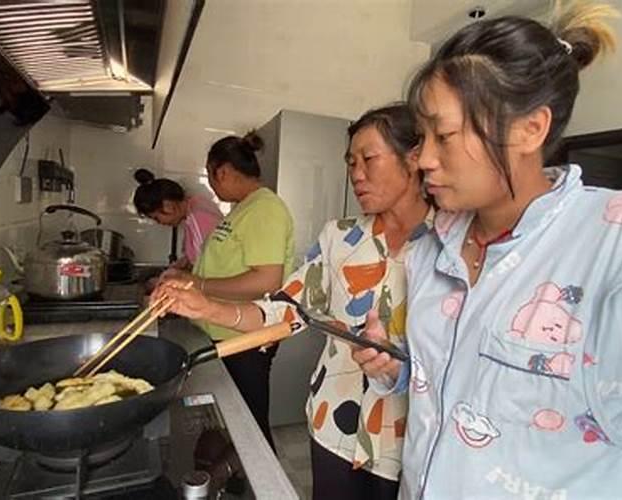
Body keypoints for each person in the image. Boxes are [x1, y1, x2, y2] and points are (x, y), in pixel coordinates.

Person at [353, 3, 622, 499]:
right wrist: (399, 369)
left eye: (446, 136)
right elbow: (464, 387)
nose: (426, 160)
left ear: (530, 129)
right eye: (423, 138)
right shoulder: (432, 249)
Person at [154, 104, 433, 499]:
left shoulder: (454, 244)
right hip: (333, 425)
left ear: (415, 157)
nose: (356, 173)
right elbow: (287, 308)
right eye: (350, 162)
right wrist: (208, 306)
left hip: (410, 438)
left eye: (369, 159)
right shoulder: (339, 237)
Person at [158, 130, 295, 451]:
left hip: (244, 337)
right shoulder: (241, 210)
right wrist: (189, 276)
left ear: (223, 171)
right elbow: (224, 264)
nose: (212, 185)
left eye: (211, 176)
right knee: (233, 424)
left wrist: (201, 286)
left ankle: (264, 487)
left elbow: (267, 281)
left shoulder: (265, 208)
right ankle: (236, 481)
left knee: (250, 426)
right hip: (224, 332)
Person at [133, 168, 223, 270]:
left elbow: (205, 265)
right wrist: (178, 265)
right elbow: (198, 255)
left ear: (168, 206)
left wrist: (176, 277)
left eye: (157, 218)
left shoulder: (198, 218)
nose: (160, 223)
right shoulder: (196, 205)